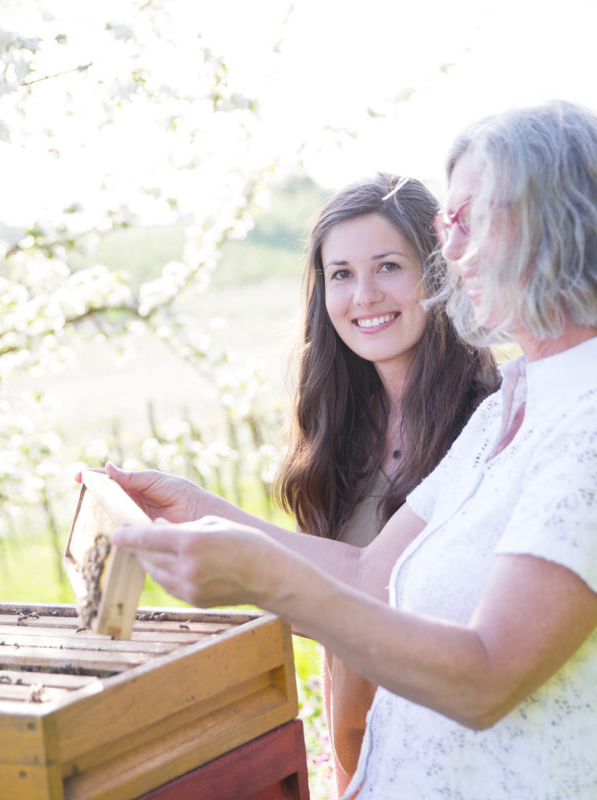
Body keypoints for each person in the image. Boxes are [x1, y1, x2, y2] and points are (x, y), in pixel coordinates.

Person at [107, 99, 597, 798]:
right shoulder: (514, 400)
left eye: (470, 219)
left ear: (560, 214)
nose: (450, 252)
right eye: (445, 225)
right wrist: (196, 510)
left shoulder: (586, 425)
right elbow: (371, 574)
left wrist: (262, 579)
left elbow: (487, 677)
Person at [271, 173, 499, 794]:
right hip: (362, 759)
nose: (363, 295)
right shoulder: (331, 432)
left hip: (461, 761)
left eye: (389, 266)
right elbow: (335, 625)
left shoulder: (493, 423)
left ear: (438, 273)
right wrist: (344, 770)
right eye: (341, 274)